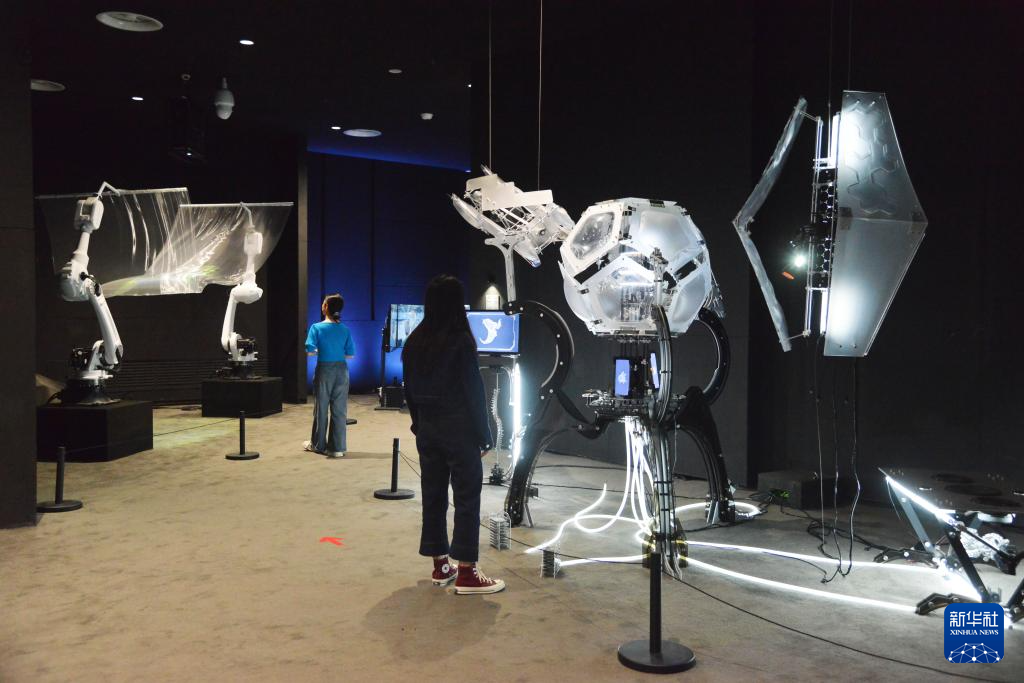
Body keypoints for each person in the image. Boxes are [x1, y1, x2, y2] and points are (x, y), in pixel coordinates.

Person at [402, 275, 505, 595]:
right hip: (459, 430)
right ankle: (467, 572)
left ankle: (440, 565)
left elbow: (409, 390)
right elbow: (473, 392)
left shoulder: (414, 340)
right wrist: (484, 435)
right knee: (466, 498)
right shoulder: (460, 340)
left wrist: (419, 425)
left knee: (433, 496)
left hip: (428, 429)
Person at [304, 293, 355, 457]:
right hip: (342, 371)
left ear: (325, 307)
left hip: (324, 371)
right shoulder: (345, 329)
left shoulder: (316, 327)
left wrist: (321, 350)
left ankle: (318, 445)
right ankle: (337, 448)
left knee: (321, 409)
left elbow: (310, 351)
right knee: (340, 410)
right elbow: (350, 355)